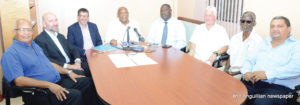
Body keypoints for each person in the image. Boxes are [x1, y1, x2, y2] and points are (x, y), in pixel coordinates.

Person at [1, 19, 97, 105]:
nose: (27, 33)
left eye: (29, 30)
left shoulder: (34, 45)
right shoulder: (10, 54)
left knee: (87, 82)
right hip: (40, 92)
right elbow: (19, 81)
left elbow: (48, 63)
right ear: (14, 32)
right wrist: (49, 85)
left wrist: (68, 72)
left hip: (56, 81)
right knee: (76, 95)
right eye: (22, 29)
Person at [241, 16, 300, 105]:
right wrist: (246, 72)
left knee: (261, 103)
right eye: (272, 26)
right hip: (253, 83)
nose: (275, 29)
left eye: (279, 26)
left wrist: (267, 74)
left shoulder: (296, 46)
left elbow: (296, 68)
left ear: (289, 29)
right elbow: (249, 60)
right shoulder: (263, 43)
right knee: (230, 92)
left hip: (279, 89)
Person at [34, 12, 92, 77]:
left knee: (91, 67)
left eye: (56, 20)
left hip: (72, 63)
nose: (55, 23)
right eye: (51, 21)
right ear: (44, 24)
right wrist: (70, 66)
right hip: (61, 69)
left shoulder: (60, 36)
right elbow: (47, 60)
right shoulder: (39, 40)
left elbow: (73, 49)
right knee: (84, 76)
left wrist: (77, 62)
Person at [224, 11, 262, 80]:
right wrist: (225, 69)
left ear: (254, 23)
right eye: (243, 21)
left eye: (248, 22)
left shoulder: (258, 41)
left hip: (243, 74)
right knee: (213, 76)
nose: (245, 24)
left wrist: (234, 74)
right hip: (229, 70)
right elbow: (230, 56)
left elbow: (253, 65)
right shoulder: (235, 38)